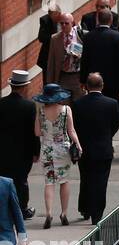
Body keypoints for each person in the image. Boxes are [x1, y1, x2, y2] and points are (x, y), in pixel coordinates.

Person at [71, 73, 119, 225]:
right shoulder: (111, 103)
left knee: (85, 178)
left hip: (84, 148)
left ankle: (85, 208)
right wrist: (107, 135)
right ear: (102, 85)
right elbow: (116, 123)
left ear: (86, 86)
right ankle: (97, 214)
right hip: (103, 148)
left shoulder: (78, 103)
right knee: (101, 181)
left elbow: (75, 126)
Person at [34, 82, 81, 229]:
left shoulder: (41, 111)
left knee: (49, 182)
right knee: (64, 181)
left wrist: (47, 131)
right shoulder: (66, 110)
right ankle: (64, 213)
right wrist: (78, 144)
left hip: (47, 149)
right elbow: (71, 130)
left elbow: (37, 132)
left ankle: (48, 213)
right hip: (63, 149)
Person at [0, 69, 40, 220]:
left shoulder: (1, 104)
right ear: (24, 87)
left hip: (3, 150)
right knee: (21, 180)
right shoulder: (29, 106)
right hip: (23, 151)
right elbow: (33, 132)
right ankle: (22, 209)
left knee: (3, 179)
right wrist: (36, 151)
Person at [79, 9, 119, 105]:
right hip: (113, 82)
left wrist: (83, 80)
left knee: (94, 106)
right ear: (111, 20)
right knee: (114, 107)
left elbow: (84, 59)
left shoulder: (88, 36)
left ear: (97, 19)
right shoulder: (117, 36)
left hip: (93, 81)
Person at [47, 13, 85, 98]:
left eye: (66, 23)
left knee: (78, 105)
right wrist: (50, 84)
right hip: (62, 77)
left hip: (77, 77)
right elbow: (51, 62)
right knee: (64, 106)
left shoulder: (81, 36)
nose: (63, 25)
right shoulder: (55, 38)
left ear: (72, 23)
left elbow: (88, 57)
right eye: (61, 23)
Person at [36, 4, 63, 84]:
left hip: (61, 56)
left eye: (56, 15)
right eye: (51, 16)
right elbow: (41, 38)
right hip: (48, 55)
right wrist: (55, 37)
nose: (54, 18)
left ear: (59, 13)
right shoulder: (45, 20)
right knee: (47, 81)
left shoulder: (65, 20)